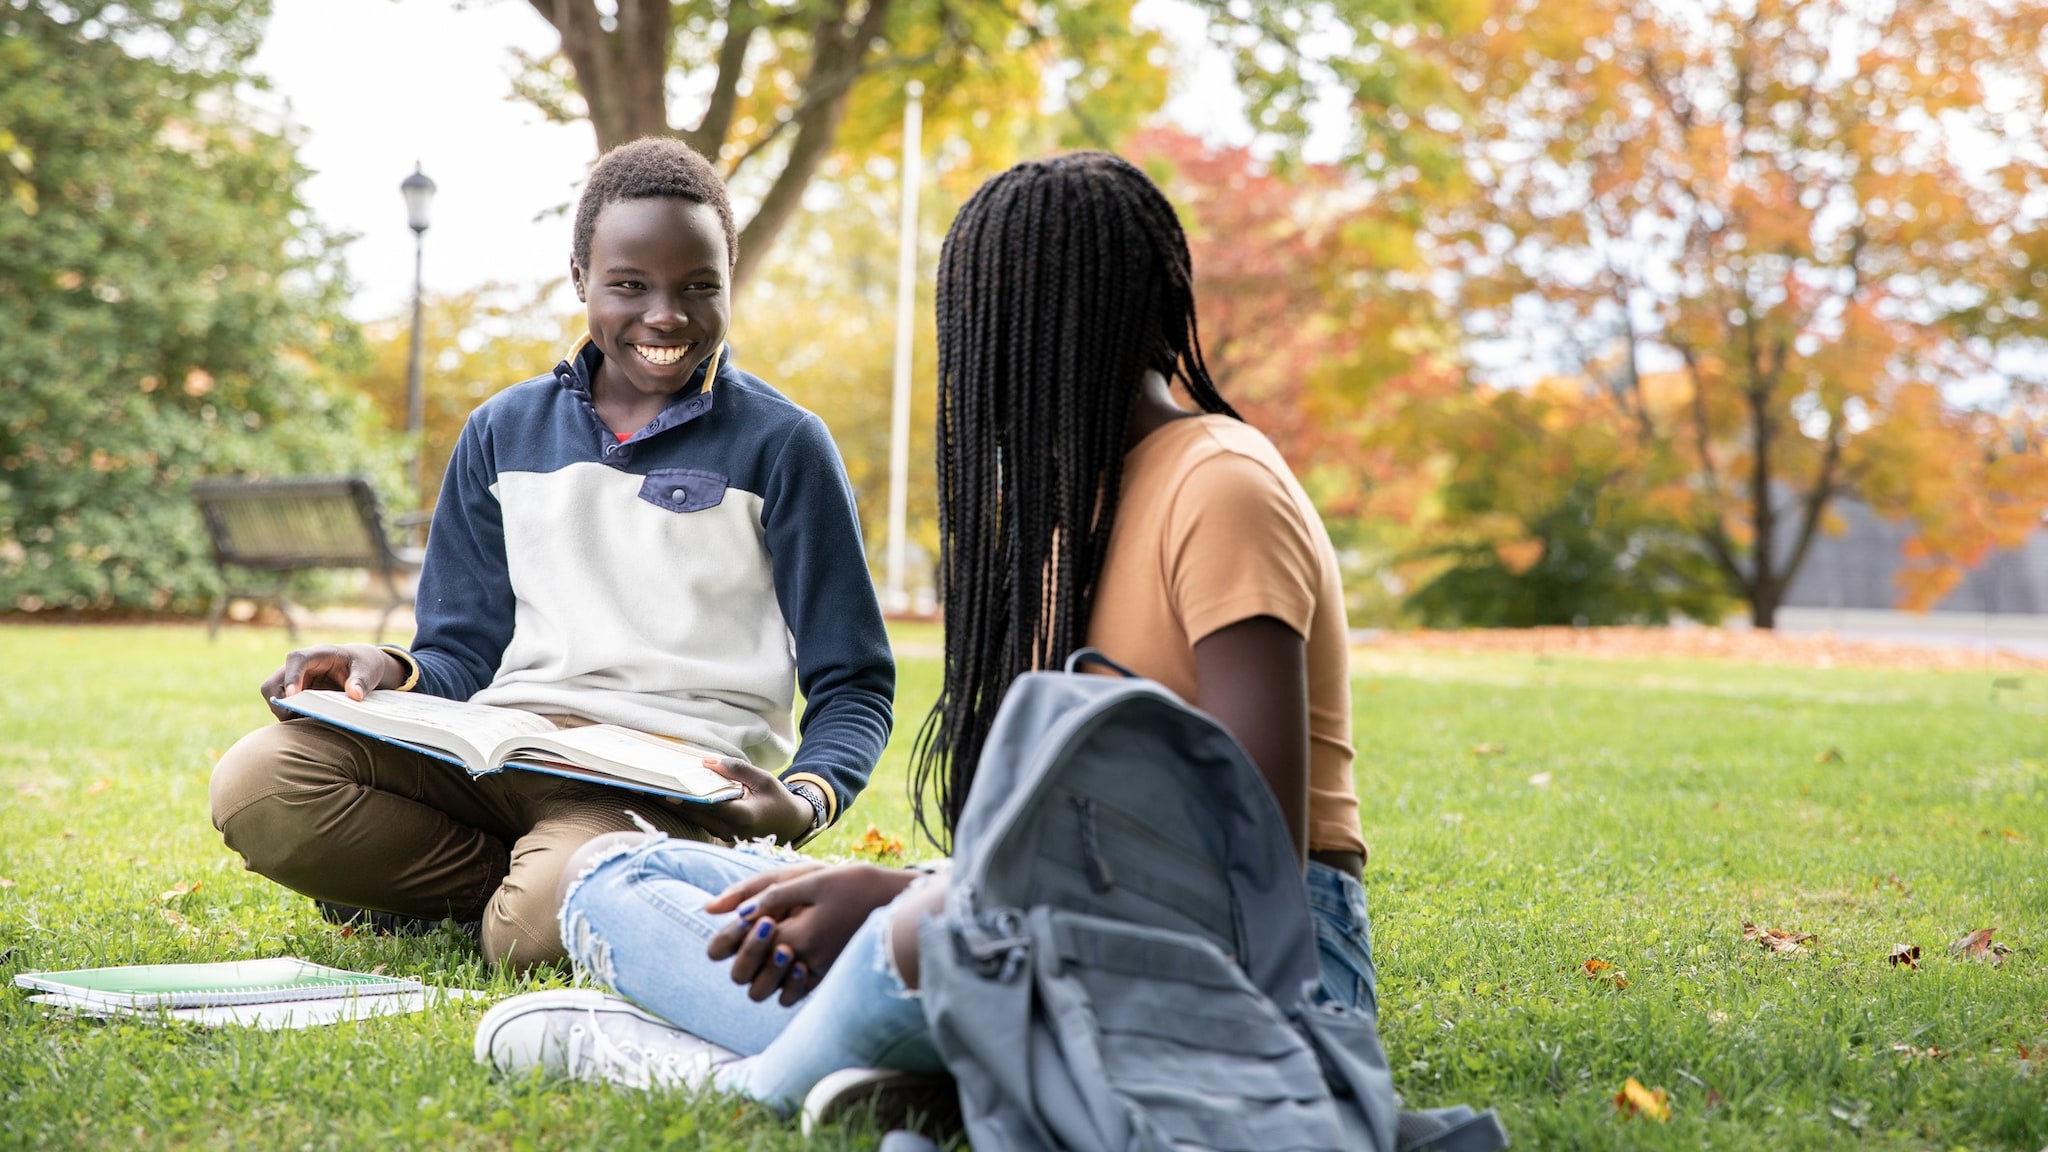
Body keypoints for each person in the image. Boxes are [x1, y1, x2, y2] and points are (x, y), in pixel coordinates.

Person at [474, 151, 1377, 1121]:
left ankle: (737, 1079)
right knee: (618, 872)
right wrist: (899, 887)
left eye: (983, 327)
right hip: (1051, 931)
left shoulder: (1221, 485)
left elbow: (1251, 862)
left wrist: (914, 913)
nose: (971, 365)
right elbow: (1057, 847)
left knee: (906, 945)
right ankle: (926, 1056)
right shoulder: (1068, 529)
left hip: (1251, 958)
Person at [208, 137, 894, 971]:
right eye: (630, 285)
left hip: (663, 779)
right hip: (498, 754)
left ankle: (557, 884)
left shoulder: (784, 444)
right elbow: (459, 649)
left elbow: (853, 681)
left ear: (729, 283)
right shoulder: (502, 430)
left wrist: (806, 802)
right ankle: (569, 883)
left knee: (529, 937)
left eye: (698, 286)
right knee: (259, 783)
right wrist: (381, 667)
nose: (665, 314)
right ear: (580, 280)